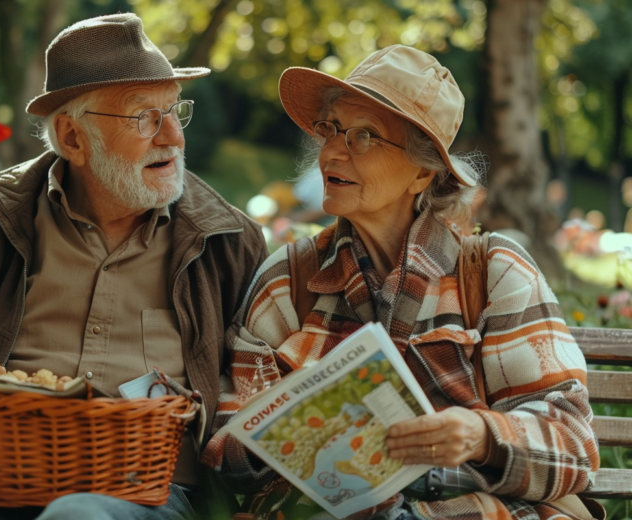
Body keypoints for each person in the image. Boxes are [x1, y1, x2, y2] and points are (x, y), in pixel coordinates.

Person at [0, 13, 267, 520]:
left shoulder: (229, 242)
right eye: (145, 117)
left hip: (150, 499)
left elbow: (259, 391)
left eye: (175, 111)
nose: (173, 137)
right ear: (72, 137)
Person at [202, 45, 601, 520]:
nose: (331, 150)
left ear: (422, 172)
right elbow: (227, 443)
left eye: (364, 136)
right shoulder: (289, 278)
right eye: (330, 129)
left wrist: (480, 435)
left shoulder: (493, 272)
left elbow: (573, 444)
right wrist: (289, 424)